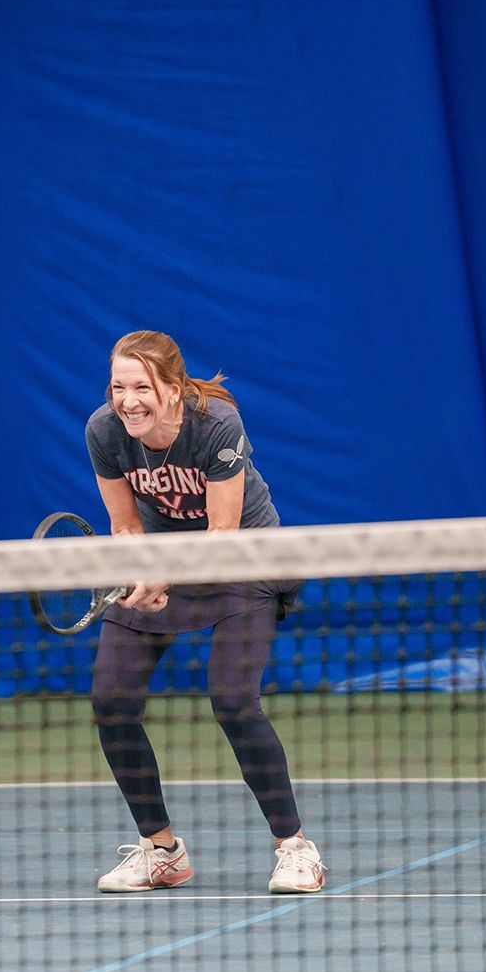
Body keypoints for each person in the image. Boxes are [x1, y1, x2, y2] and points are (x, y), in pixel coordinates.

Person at [84, 330, 325, 895]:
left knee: (233, 700)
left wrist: (165, 574)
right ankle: (161, 851)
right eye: (119, 387)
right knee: (111, 701)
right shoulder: (104, 430)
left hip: (242, 559)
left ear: (171, 388)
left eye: (141, 386)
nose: (128, 400)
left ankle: (295, 847)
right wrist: (137, 575)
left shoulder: (215, 424)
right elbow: (125, 526)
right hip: (166, 559)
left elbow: (220, 532)